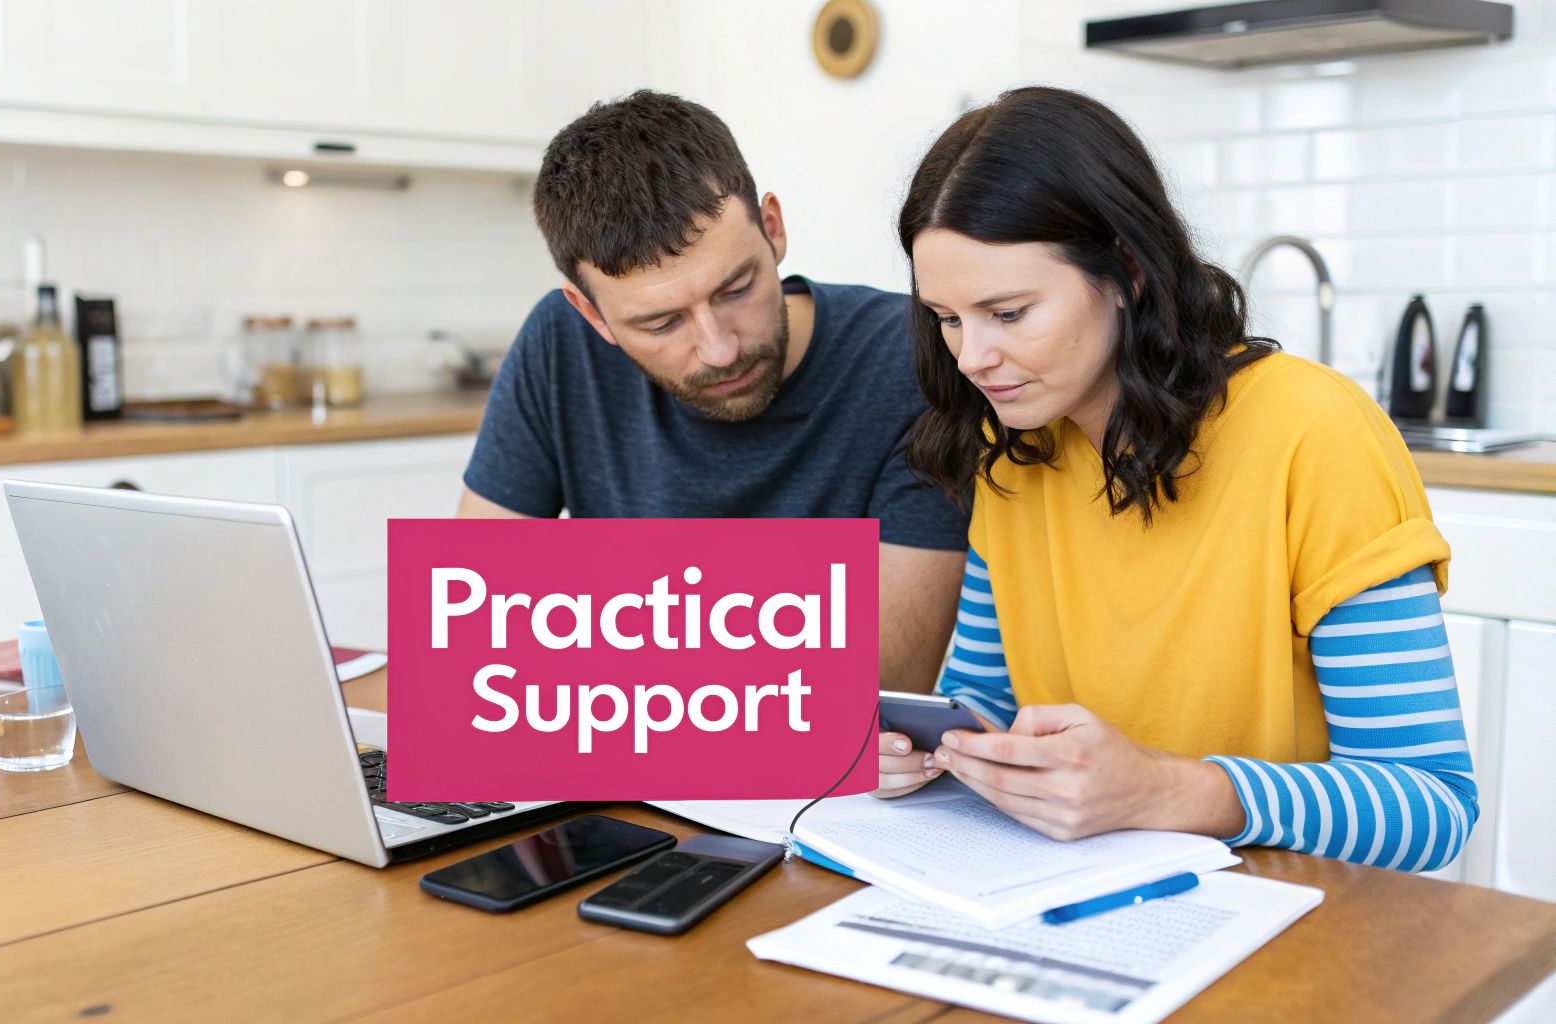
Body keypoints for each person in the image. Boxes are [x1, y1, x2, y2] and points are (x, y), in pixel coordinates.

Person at [878, 86, 1477, 872]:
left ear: (1126, 271)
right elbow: (985, 708)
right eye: (948, 318)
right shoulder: (1015, 456)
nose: (971, 357)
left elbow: (1431, 805)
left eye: (1010, 312)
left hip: (1297, 931)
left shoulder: (1315, 433)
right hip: (1086, 903)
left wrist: (1170, 790)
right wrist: (932, 754)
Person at [459, 90, 967, 691]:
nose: (720, 347)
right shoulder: (561, 345)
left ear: (772, 229)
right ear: (593, 317)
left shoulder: (910, 358)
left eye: (735, 289)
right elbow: (474, 638)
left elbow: (873, 691)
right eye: (661, 323)